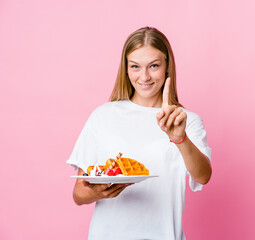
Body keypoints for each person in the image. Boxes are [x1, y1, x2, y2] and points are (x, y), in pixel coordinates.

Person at [67, 26, 212, 240]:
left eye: (153, 66)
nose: (144, 76)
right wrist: (96, 192)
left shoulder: (185, 120)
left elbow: (203, 176)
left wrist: (179, 139)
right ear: (126, 69)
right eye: (135, 66)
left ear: (167, 68)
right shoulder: (103, 116)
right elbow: (78, 194)